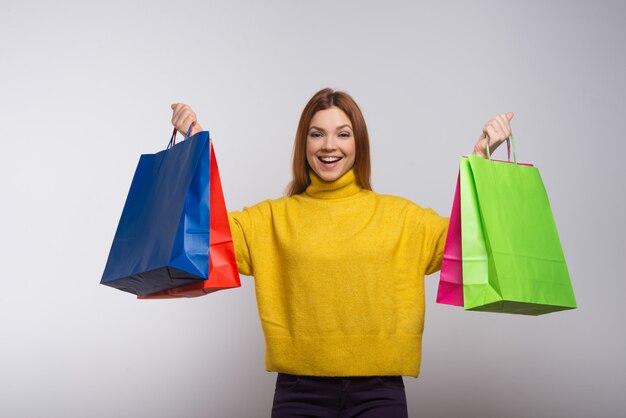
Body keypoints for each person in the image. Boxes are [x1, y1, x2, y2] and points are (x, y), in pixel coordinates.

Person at [170, 88, 513, 418]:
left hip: (380, 392)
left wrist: (481, 159)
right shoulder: (271, 219)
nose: (329, 145)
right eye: (317, 134)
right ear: (303, 143)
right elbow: (206, 237)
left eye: (343, 134)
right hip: (298, 393)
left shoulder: (401, 218)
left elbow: (465, 241)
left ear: (358, 144)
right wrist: (197, 151)